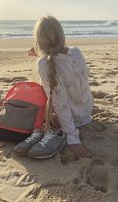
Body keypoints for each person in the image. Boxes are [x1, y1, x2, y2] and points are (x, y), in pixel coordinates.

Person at [14, 15, 93, 159]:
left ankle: (43, 132)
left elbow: (60, 102)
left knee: (33, 92)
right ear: (61, 34)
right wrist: (40, 54)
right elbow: (62, 64)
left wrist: (73, 139)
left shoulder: (43, 63)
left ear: (38, 39)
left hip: (72, 119)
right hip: (86, 112)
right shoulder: (76, 52)